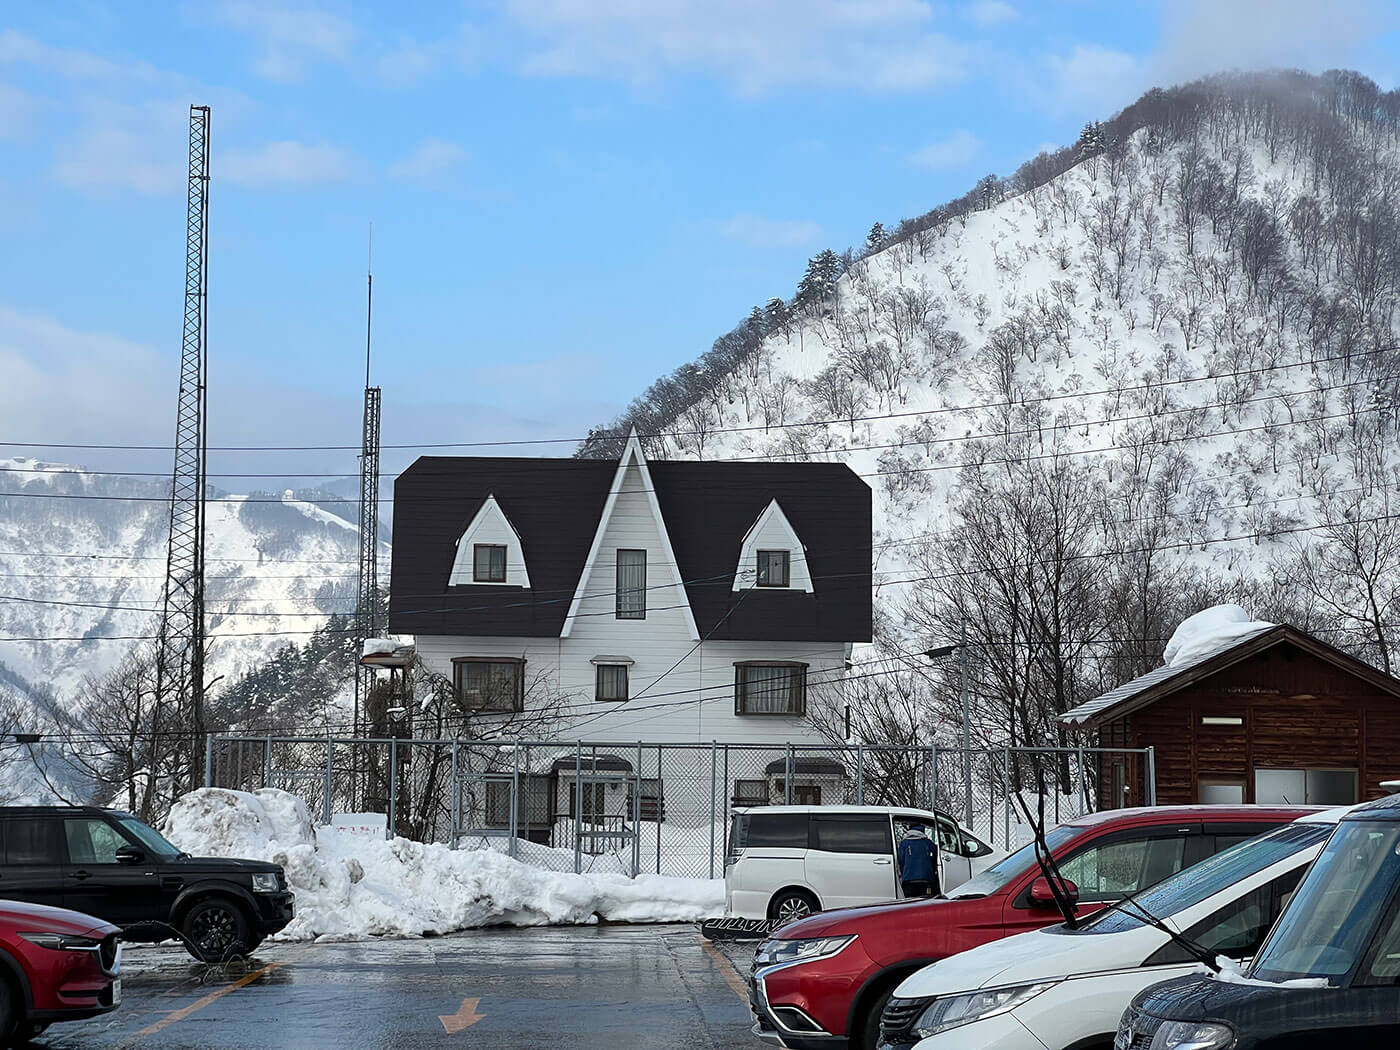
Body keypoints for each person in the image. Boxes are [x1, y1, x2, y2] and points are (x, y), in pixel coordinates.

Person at [897, 824, 939, 897]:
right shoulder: (927, 842)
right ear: (922, 831)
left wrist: (904, 872)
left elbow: (900, 860)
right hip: (926, 877)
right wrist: (931, 864)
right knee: (925, 902)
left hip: (908, 879)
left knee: (909, 902)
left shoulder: (904, 843)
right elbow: (937, 853)